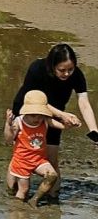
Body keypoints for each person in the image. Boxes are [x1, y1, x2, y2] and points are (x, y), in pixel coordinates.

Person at [11, 43, 98, 197]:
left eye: (70, 69)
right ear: (52, 65)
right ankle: (14, 192)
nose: (67, 74)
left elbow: (84, 103)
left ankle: (53, 198)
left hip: (54, 115)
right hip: (28, 111)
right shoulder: (37, 69)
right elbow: (36, 103)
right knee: (23, 154)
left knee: (52, 158)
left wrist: (94, 132)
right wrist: (62, 115)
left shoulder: (76, 75)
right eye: (62, 70)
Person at [4, 90, 63, 207]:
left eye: (40, 115)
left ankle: (34, 200)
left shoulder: (45, 120)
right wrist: (8, 124)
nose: (37, 118)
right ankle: (17, 211)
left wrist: (71, 121)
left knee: (52, 175)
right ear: (26, 112)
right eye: (33, 115)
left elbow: (62, 126)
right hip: (22, 161)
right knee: (23, 190)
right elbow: (8, 139)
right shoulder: (18, 122)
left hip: (39, 159)